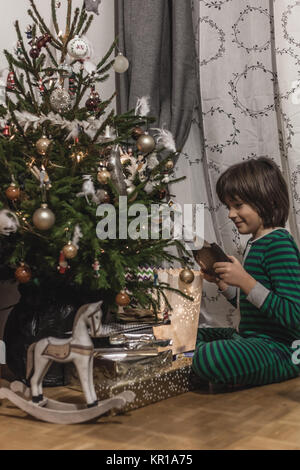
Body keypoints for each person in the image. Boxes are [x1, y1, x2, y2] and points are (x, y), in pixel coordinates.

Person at [192, 157, 300, 391]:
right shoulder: (257, 243)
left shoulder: (278, 244)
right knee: (191, 335)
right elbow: (253, 307)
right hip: (254, 338)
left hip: (284, 348)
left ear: (268, 202)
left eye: (238, 205)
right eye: (228, 206)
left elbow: (295, 316)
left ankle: (207, 367)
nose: (231, 214)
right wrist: (226, 284)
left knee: (209, 357)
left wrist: (246, 281)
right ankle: (214, 366)